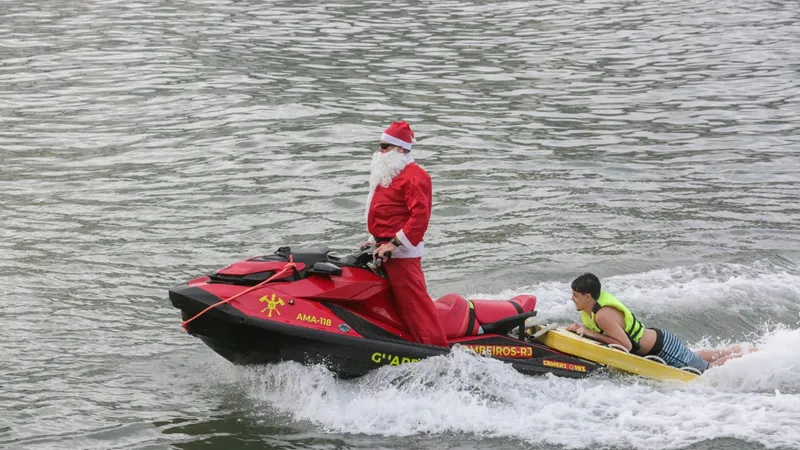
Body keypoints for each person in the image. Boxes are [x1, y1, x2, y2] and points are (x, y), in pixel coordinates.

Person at [363, 121, 449, 348]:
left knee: (415, 305)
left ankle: (437, 350)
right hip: (382, 248)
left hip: (401, 253)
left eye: (383, 147)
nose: (378, 152)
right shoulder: (390, 173)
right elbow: (387, 213)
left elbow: (419, 218)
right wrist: (374, 240)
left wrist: (393, 244)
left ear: (399, 149)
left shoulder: (415, 176)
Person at [566, 273, 753, 373]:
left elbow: (626, 345)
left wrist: (590, 334)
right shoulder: (590, 310)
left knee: (706, 371)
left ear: (588, 296)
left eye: (575, 295)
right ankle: (738, 349)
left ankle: (749, 356)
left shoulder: (602, 315)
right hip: (659, 340)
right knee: (695, 358)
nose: (572, 299)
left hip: (662, 349)